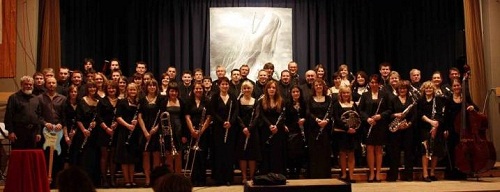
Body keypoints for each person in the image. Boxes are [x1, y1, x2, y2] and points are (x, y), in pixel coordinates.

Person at [358, 74, 390, 182]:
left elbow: (389, 110)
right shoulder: (365, 95)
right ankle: (371, 173)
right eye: (372, 82)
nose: (374, 84)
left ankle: (378, 173)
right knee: (370, 149)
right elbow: (360, 110)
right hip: (368, 125)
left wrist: (380, 116)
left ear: (379, 84)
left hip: (380, 125)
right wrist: (367, 119)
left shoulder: (384, 95)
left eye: (376, 82)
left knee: (379, 149)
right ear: (369, 84)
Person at [209, 77, 238, 186]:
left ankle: (228, 178)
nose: (225, 86)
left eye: (226, 84)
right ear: (219, 85)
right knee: (218, 153)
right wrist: (222, 123)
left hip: (230, 129)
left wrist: (230, 122)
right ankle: (218, 178)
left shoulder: (233, 97)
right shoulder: (215, 97)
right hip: (218, 129)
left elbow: (236, 111)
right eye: (223, 84)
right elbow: (213, 112)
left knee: (229, 154)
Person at [444, 78, 475, 180]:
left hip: (464, 129)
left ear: (461, 87)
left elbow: (475, 108)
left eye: (458, 85)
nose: (456, 87)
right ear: (452, 88)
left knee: (464, 151)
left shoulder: (465, 98)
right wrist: (446, 129)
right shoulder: (449, 99)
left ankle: (464, 171)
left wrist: (472, 108)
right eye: (454, 86)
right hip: (453, 129)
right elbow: (446, 116)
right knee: (453, 150)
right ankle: (452, 173)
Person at [38, 77, 67, 187]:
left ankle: (56, 182)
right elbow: (38, 115)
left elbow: (65, 116)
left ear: (56, 85)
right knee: (45, 156)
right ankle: (45, 182)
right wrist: (45, 123)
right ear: (46, 84)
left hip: (58, 132)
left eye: (53, 83)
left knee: (58, 157)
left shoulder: (63, 99)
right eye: (49, 83)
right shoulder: (40, 98)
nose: (51, 84)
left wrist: (61, 123)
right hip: (45, 131)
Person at [387, 80, 417, 181]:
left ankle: (408, 176)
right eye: (400, 88)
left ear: (407, 89)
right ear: (397, 90)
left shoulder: (411, 100)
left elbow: (414, 115)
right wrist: (395, 115)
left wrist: (408, 124)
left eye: (404, 88)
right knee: (394, 153)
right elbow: (389, 113)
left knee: (409, 153)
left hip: (408, 129)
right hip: (396, 129)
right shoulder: (393, 100)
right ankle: (393, 176)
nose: (402, 90)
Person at [417, 81, 446, 182]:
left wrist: (435, 124)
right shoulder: (420, 100)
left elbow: (440, 113)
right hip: (424, 127)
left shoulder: (437, 100)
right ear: (423, 90)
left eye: (430, 88)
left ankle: (432, 172)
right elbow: (419, 113)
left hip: (436, 127)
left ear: (433, 89)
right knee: (425, 150)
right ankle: (425, 174)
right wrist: (430, 122)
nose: (428, 90)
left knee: (435, 151)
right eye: (426, 88)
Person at [257, 80, 287, 175]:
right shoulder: (262, 100)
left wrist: (276, 126)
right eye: (269, 87)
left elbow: (283, 115)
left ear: (276, 89)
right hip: (266, 129)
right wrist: (270, 125)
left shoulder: (281, 101)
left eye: (273, 88)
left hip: (278, 130)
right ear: (266, 89)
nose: (271, 89)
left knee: (277, 152)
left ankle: (277, 173)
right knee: (266, 151)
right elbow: (261, 115)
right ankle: (266, 173)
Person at [184, 82, 211, 186]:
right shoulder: (189, 101)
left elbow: (209, 117)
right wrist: (192, 130)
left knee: (202, 156)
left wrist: (201, 131)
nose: (198, 90)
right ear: (193, 90)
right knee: (192, 156)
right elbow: (187, 116)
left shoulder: (207, 101)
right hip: (192, 131)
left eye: (200, 88)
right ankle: (193, 179)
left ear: (203, 90)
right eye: (196, 88)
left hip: (203, 132)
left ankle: (202, 179)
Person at [115, 83, 141, 187]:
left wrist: (136, 122)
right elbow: (118, 117)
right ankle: (127, 180)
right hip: (124, 131)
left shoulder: (138, 103)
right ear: (127, 91)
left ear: (137, 91)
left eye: (134, 90)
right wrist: (128, 125)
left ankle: (132, 179)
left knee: (132, 157)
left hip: (134, 132)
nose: (132, 91)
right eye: (130, 90)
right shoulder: (122, 102)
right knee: (125, 157)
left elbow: (140, 116)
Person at [5, 76, 42, 149]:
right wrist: (11, 132)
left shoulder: (36, 98)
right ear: (21, 85)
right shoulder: (14, 97)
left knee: (30, 156)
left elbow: (39, 116)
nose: (28, 86)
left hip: (33, 132)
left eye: (30, 84)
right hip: (18, 132)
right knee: (19, 156)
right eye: (26, 84)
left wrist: (38, 132)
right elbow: (8, 116)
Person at [74, 81, 100, 186]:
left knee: (93, 156)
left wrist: (96, 122)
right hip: (83, 131)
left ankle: (93, 181)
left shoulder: (99, 101)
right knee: (84, 156)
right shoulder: (82, 101)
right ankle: (83, 181)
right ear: (87, 89)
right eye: (90, 88)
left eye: (94, 88)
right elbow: (78, 118)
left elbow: (99, 117)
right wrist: (84, 130)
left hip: (94, 132)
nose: (92, 89)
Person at [306, 79, 333, 178]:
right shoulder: (310, 98)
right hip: (313, 129)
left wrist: (326, 121)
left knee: (324, 152)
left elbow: (330, 112)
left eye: (320, 85)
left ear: (323, 87)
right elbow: (308, 113)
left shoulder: (328, 99)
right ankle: (314, 175)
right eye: (316, 85)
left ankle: (325, 175)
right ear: (314, 87)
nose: (318, 87)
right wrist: (317, 120)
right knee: (314, 152)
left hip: (325, 129)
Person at [332, 86, 360, 182]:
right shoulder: (336, 104)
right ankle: (344, 174)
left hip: (352, 133)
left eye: (347, 93)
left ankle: (351, 175)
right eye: (344, 93)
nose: (346, 95)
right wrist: (347, 128)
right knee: (342, 153)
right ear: (340, 94)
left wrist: (354, 128)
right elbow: (337, 119)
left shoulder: (353, 104)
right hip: (341, 133)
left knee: (351, 154)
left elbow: (357, 118)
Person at [138, 80, 162, 187]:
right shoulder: (142, 100)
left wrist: (156, 128)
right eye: (150, 85)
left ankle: (155, 179)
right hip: (145, 131)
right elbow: (139, 117)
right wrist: (145, 132)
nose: (152, 87)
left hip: (156, 130)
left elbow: (163, 116)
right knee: (146, 155)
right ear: (146, 87)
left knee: (156, 155)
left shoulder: (161, 99)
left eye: (154, 85)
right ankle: (147, 179)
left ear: (156, 87)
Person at [236, 81, 261, 183]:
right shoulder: (238, 101)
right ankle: (244, 177)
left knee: (252, 155)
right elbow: (237, 116)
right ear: (242, 89)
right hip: (242, 130)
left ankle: (251, 177)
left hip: (252, 131)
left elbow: (257, 116)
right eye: (244, 88)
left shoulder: (256, 101)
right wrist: (244, 128)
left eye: (248, 88)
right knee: (242, 155)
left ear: (252, 89)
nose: (246, 90)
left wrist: (250, 128)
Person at [95, 81, 119, 187]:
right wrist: (106, 128)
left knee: (113, 156)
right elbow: (98, 116)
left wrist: (117, 123)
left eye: (113, 88)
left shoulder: (120, 101)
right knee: (104, 156)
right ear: (106, 89)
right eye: (109, 88)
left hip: (115, 131)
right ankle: (104, 179)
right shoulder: (102, 101)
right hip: (104, 131)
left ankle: (112, 178)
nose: (111, 90)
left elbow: (122, 115)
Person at [161, 82, 185, 174]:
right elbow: (161, 119)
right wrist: (161, 134)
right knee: (168, 154)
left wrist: (184, 135)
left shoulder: (181, 102)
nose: (173, 93)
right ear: (168, 91)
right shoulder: (164, 102)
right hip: (167, 132)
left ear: (178, 92)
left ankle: (178, 176)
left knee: (178, 154)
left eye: (175, 91)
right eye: (171, 91)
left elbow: (184, 119)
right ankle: (170, 177)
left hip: (179, 130)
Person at [285, 85, 307, 179]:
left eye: (297, 92)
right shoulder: (287, 104)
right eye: (293, 92)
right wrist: (284, 126)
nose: (295, 93)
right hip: (290, 131)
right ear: (291, 93)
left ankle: (298, 172)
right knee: (290, 153)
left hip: (301, 131)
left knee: (300, 153)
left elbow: (308, 114)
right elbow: (284, 116)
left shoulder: (304, 103)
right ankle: (291, 172)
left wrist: (304, 119)